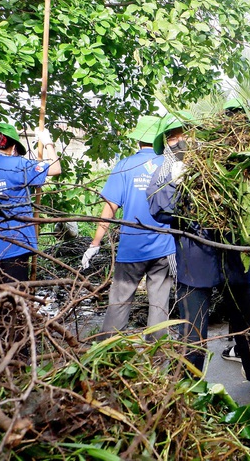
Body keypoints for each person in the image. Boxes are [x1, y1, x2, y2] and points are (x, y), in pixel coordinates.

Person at [147, 113, 250, 397]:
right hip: (194, 262)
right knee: (192, 331)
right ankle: (187, 385)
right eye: (174, 136)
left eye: (186, 133)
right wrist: (174, 182)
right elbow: (158, 211)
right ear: (167, 144)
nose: (181, 140)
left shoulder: (219, 165)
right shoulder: (166, 173)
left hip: (232, 258)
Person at [81, 116, 175, 341]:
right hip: (164, 247)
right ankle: (157, 353)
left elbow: (109, 208)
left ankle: (109, 351)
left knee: (120, 300)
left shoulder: (125, 165)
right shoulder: (169, 165)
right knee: (160, 304)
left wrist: (95, 244)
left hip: (131, 246)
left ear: (137, 142)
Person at [0, 123, 61, 283]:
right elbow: (55, 169)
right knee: (14, 302)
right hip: (15, 247)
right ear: (13, 148)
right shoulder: (18, 164)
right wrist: (47, 142)